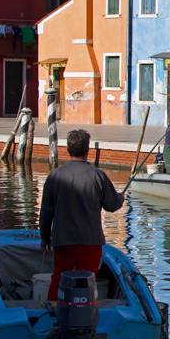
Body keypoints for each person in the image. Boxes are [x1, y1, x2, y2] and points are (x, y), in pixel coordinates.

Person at [39, 129, 123, 302]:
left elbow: (46, 211)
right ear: (87, 150)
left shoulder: (54, 176)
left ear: (68, 149)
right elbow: (112, 205)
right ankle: (87, 313)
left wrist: (45, 237)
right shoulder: (98, 176)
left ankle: (53, 312)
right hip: (90, 240)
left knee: (59, 278)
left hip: (63, 238)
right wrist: (120, 198)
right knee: (88, 279)